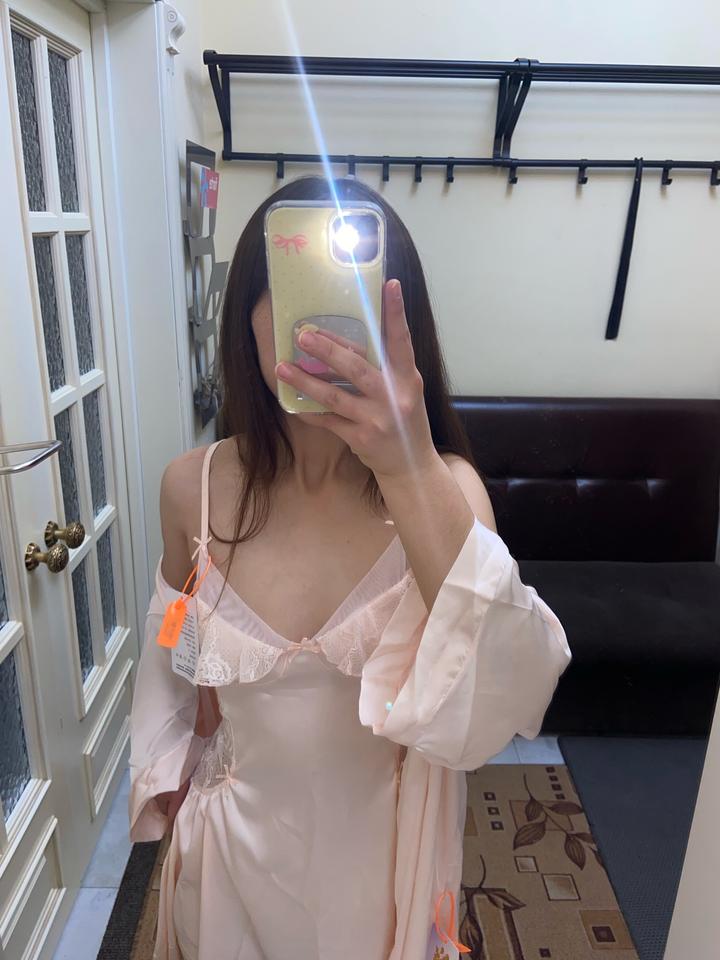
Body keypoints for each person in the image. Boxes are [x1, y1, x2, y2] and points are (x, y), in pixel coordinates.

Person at [127, 175, 571, 960]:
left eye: (359, 290)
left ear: (404, 319)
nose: (327, 322)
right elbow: (175, 652)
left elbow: (503, 694)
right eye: (302, 284)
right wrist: (168, 774)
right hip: (228, 853)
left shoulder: (447, 495)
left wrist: (407, 465)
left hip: (378, 873)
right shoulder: (190, 488)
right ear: (250, 312)